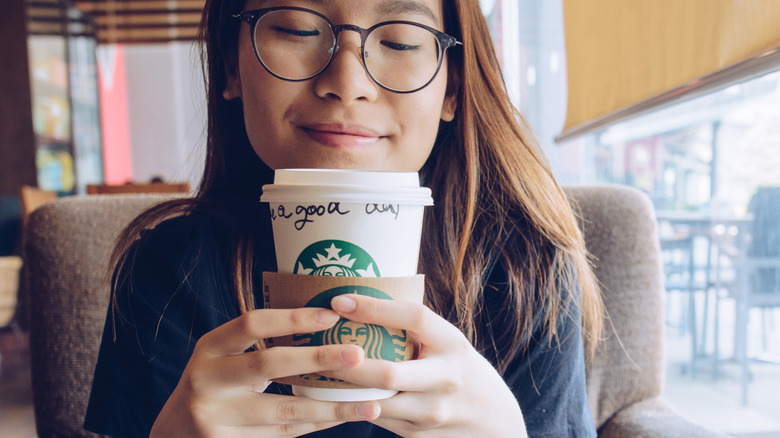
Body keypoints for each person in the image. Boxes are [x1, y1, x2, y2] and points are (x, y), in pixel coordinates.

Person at [84, 0, 603, 436]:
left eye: (400, 40)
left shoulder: (528, 270)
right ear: (229, 66)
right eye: (297, 28)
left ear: (451, 89)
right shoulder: (166, 267)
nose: (348, 82)